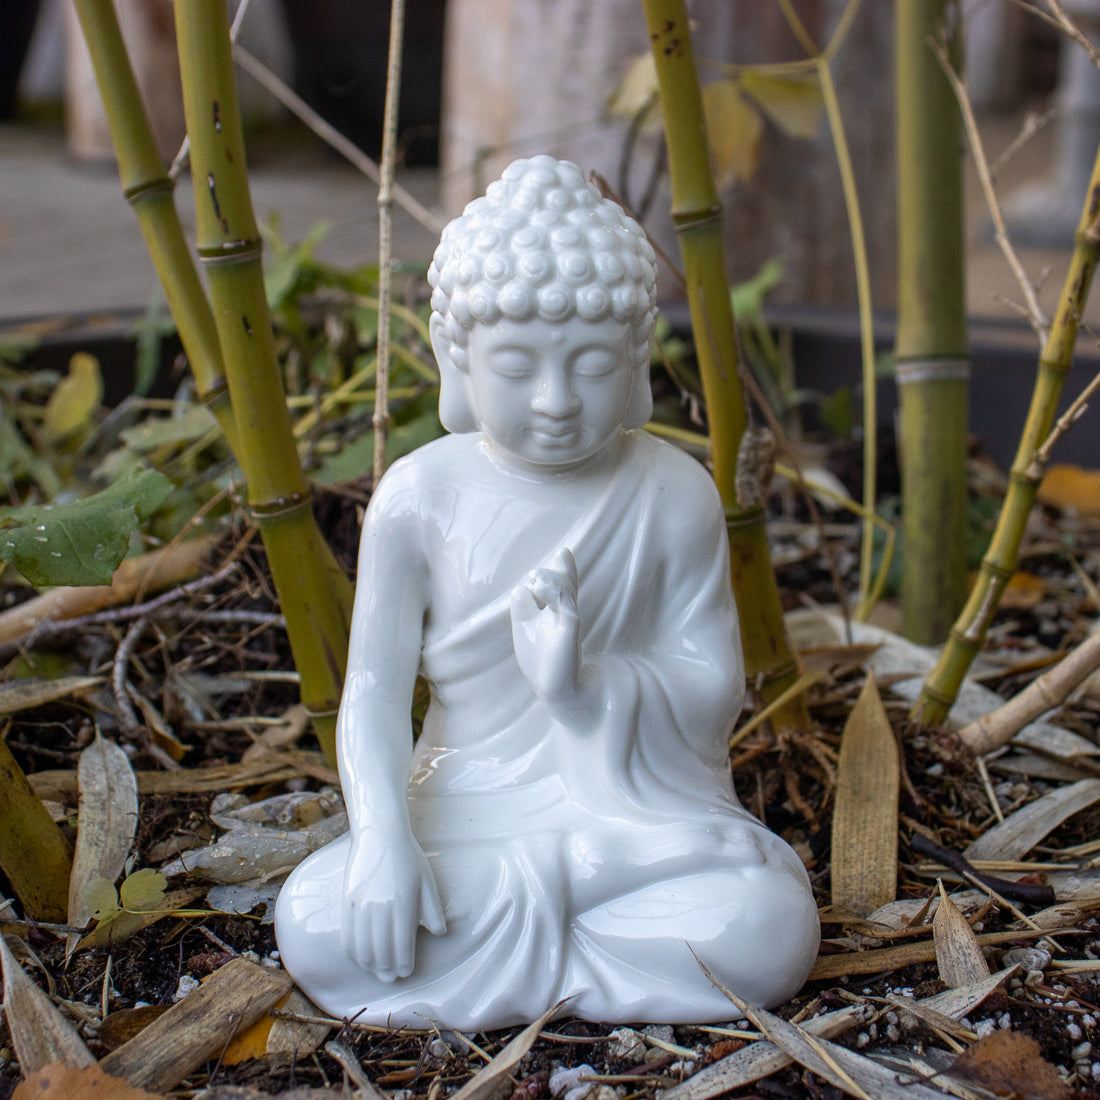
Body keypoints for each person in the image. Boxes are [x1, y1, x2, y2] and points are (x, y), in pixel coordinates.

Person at [275, 156, 819, 1030]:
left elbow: (712, 683)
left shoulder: (673, 493)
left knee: (763, 925)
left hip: (635, 812)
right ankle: (594, 901)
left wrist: (580, 685)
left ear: (638, 358)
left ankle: (541, 931)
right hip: (468, 803)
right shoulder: (420, 496)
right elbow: (373, 696)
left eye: (595, 365)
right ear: (458, 357)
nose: (557, 401)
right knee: (315, 916)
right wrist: (382, 842)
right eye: (518, 366)